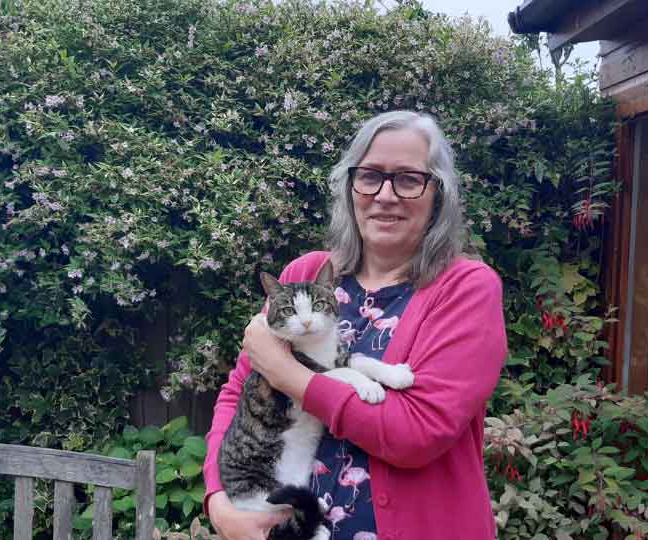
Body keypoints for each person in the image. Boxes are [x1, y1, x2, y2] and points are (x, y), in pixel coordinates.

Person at [202, 111, 507, 540]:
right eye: (370, 176)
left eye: (408, 179)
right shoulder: (306, 275)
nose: (385, 195)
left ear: (438, 193)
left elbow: (417, 434)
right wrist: (220, 502)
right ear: (350, 187)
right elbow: (238, 395)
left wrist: (288, 373)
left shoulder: (466, 289)